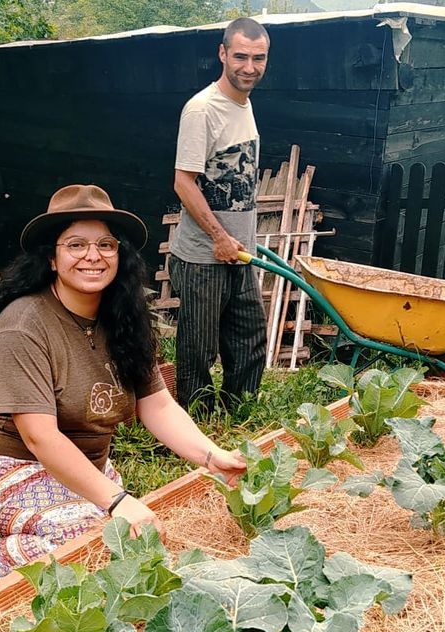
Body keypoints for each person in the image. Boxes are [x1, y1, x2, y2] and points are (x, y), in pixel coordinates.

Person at [0, 184, 247, 599]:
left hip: (83, 466)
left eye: (105, 244)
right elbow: (38, 435)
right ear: (51, 257)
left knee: (129, 541)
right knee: (96, 531)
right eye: (75, 244)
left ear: (120, 255)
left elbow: (159, 406)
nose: (93, 256)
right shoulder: (23, 325)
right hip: (4, 465)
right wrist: (116, 502)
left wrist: (212, 456)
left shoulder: (124, 318)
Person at [169, 16, 271, 415]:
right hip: (203, 256)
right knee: (199, 347)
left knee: (249, 337)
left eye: (258, 58)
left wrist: (239, 241)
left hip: (238, 251)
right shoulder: (202, 109)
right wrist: (219, 238)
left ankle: (238, 415)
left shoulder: (243, 104)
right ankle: (194, 426)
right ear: (223, 53)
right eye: (241, 56)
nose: (249, 67)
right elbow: (183, 182)